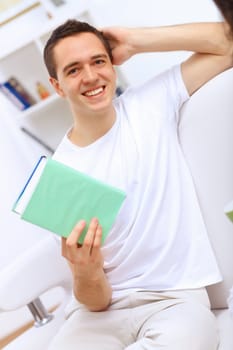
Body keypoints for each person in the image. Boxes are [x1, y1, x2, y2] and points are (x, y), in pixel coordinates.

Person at [43, 19, 233, 350]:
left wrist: (136, 40)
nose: (90, 77)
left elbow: (228, 42)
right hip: (99, 316)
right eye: (73, 70)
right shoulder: (60, 175)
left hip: (176, 301)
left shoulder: (151, 103)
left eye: (98, 61)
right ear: (57, 86)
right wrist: (84, 273)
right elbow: (96, 300)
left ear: (112, 64)